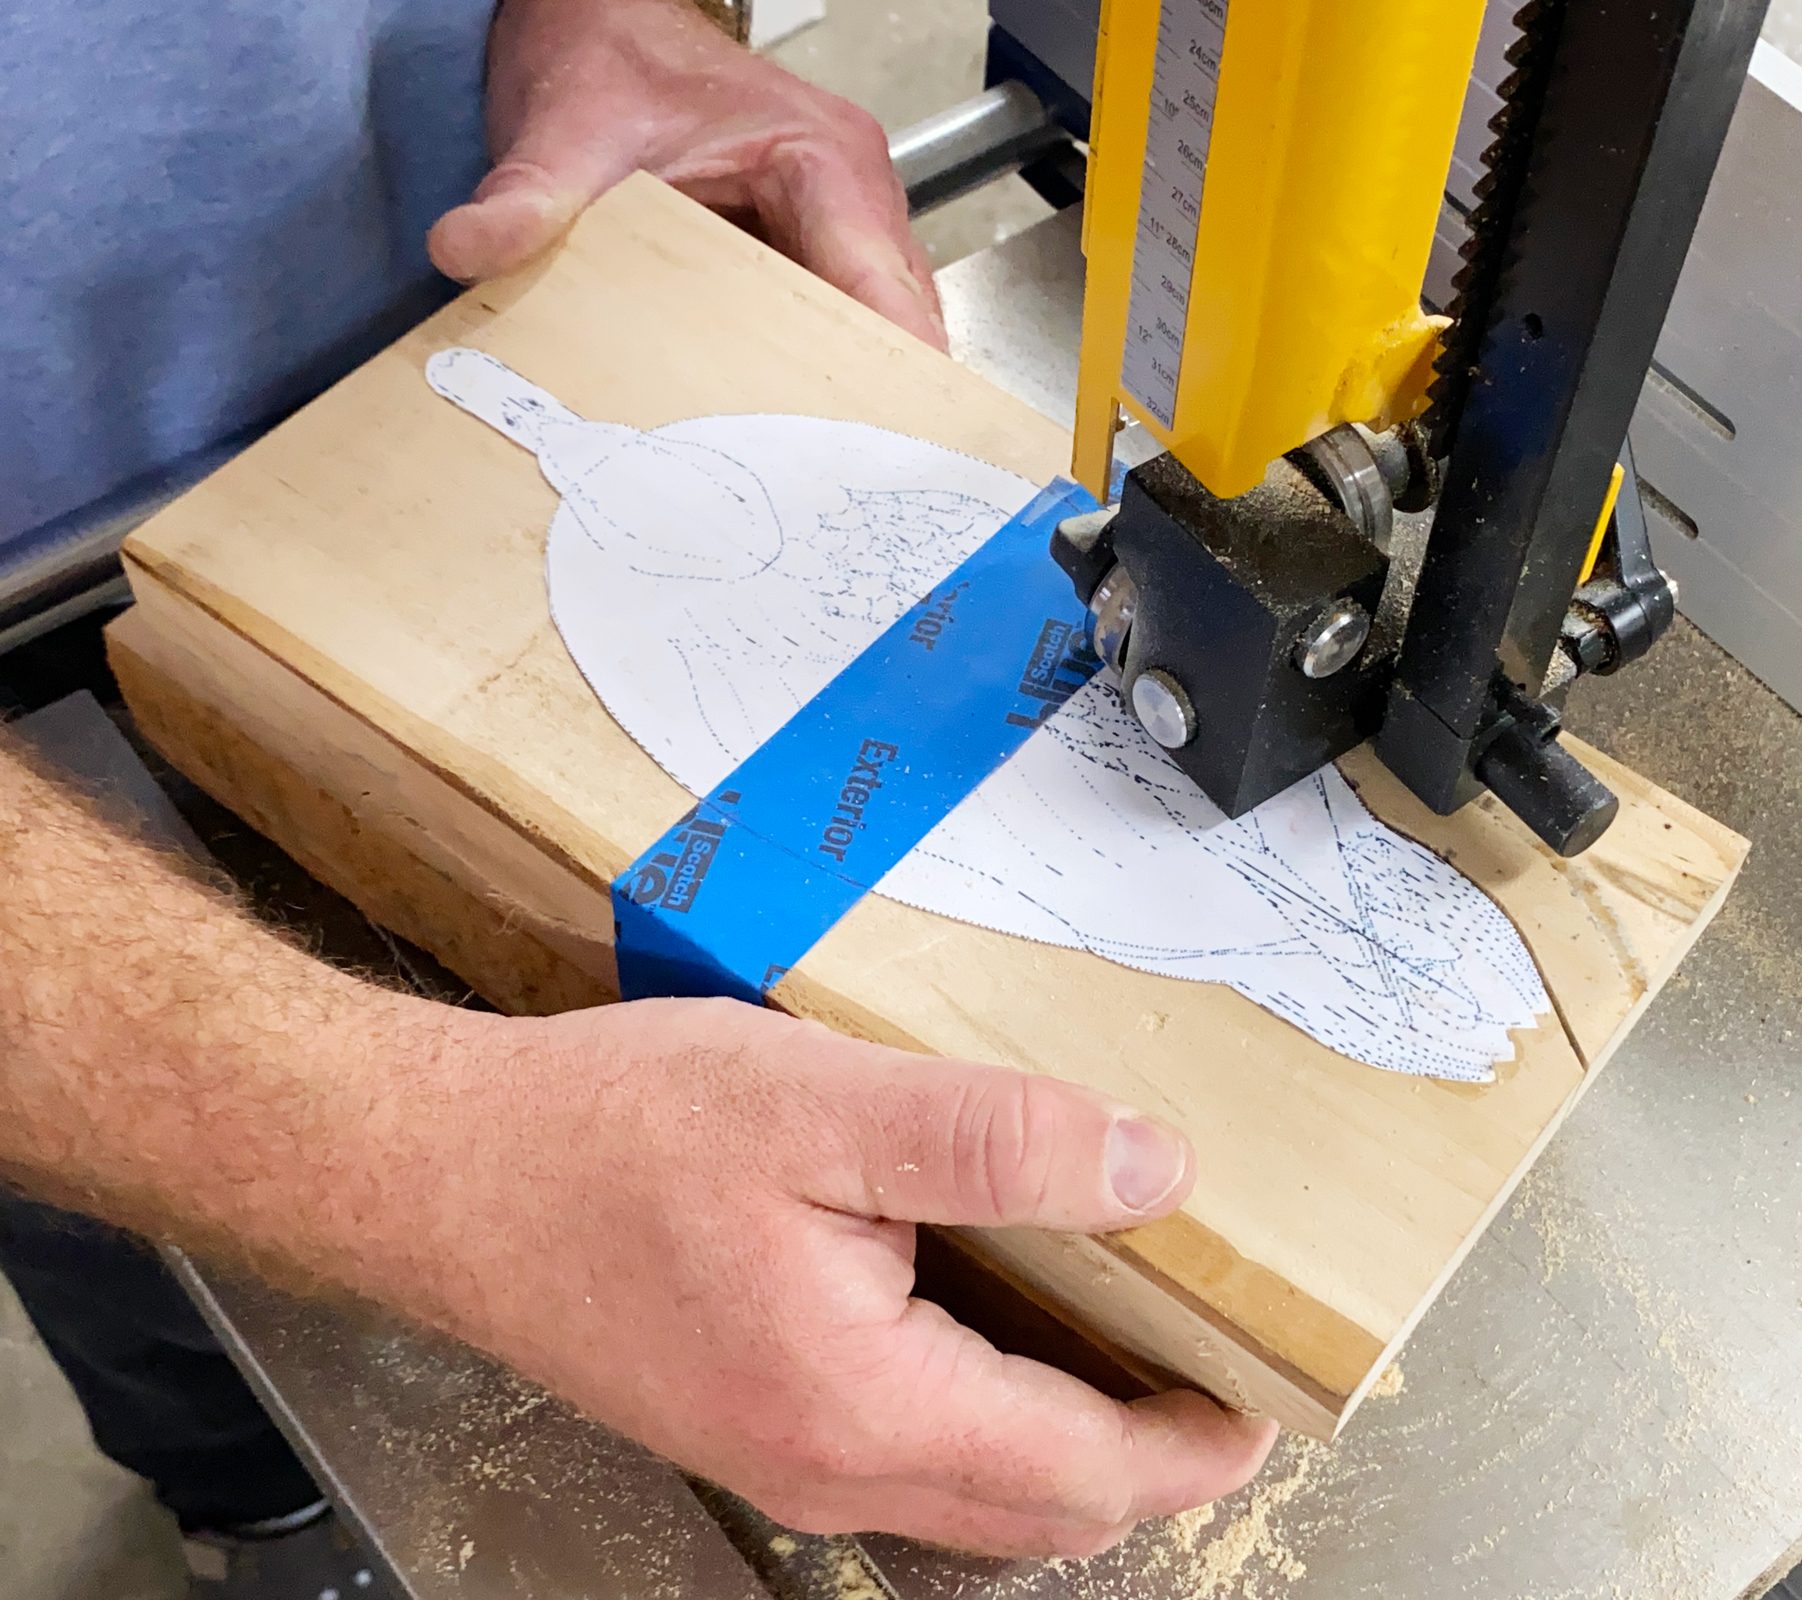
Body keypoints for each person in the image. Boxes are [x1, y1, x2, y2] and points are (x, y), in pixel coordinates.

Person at [0, 0, 1276, 1574]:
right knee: (177, 1285)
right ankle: (258, 1499)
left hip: (517, 265)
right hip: (50, 622)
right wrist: (412, 1161)